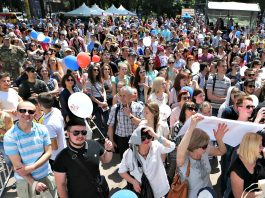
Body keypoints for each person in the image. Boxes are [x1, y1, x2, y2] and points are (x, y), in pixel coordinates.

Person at [3, 101, 57, 198]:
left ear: (35, 114)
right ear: (17, 112)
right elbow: (18, 167)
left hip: (46, 175)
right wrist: (34, 183)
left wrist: (32, 167)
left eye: (31, 111)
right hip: (26, 181)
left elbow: (48, 152)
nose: (27, 114)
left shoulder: (42, 129)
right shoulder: (10, 136)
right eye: (23, 110)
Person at [53, 118, 113, 198]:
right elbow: (61, 185)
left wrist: (108, 149)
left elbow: (106, 159)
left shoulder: (94, 144)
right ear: (67, 134)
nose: (80, 135)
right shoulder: (61, 157)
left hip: (99, 194)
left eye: (83, 132)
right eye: (76, 133)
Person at [177, 114, 229, 198]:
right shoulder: (184, 160)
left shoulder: (204, 151)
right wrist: (191, 127)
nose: (207, 147)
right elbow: (180, 149)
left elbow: (222, 151)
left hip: (209, 194)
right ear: (194, 146)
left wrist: (219, 139)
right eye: (204, 146)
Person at [118, 126, 175, 198]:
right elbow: (121, 171)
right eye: (142, 138)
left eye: (148, 136)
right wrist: (133, 182)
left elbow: (172, 146)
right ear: (136, 141)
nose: (146, 139)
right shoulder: (129, 153)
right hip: (144, 192)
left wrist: (155, 135)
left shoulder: (156, 145)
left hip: (160, 190)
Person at [107, 86, 144, 159]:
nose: (122, 98)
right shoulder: (115, 108)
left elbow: (142, 123)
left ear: (130, 96)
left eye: (124, 96)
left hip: (135, 138)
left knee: (137, 160)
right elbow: (110, 126)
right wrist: (111, 140)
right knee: (124, 160)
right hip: (121, 139)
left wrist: (130, 115)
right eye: (120, 95)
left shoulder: (138, 107)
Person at [37, 92, 67, 170]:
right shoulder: (56, 110)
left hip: (55, 157)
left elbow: (54, 146)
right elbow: (63, 125)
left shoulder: (48, 124)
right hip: (63, 150)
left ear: (40, 105)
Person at [230, 133, 264, 198]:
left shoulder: (259, 158)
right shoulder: (236, 170)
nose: (262, 148)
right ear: (251, 148)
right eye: (260, 146)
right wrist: (261, 193)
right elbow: (239, 196)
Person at [86, 64, 109, 136]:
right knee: (98, 121)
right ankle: (102, 136)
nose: (97, 71)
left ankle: (107, 134)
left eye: (98, 70)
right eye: (94, 70)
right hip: (95, 102)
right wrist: (99, 103)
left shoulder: (100, 79)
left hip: (102, 100)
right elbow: (90, 95)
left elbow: (103, 90)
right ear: (91, 71)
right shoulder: (89, 81)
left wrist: (104, 100)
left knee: (107, 119)